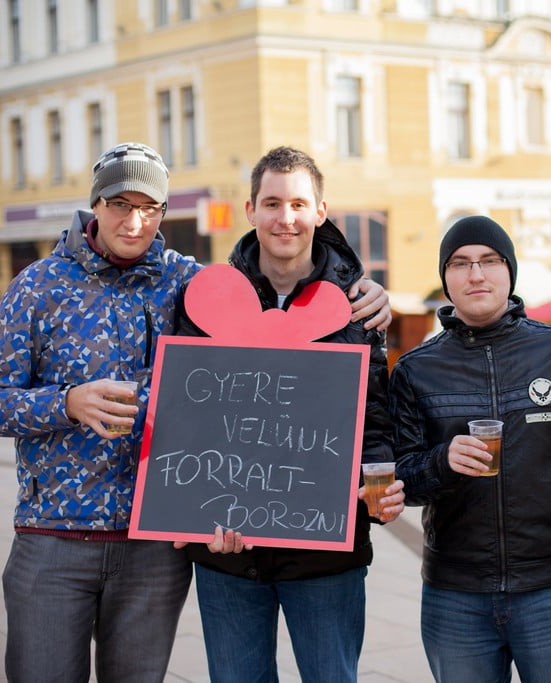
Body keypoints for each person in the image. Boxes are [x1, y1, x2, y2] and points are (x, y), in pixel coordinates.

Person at [0, 142, 389, 682]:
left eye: (150, 208)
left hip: (155, 546)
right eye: (120, 204)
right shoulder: (37, 286)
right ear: (96, 204)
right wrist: (65, 402)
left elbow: (268, 317)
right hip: (56, 534)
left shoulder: (187, 282)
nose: (134, 221)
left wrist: (365, 289)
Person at [175, 146, 405, 683]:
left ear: (320, 211)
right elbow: (186, 417)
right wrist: (187, 514)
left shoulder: (356, 306)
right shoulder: (206, 300)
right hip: (228, 548)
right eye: (273, 203)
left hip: (324, 553)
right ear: (250, 210)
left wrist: (381, 487)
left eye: (299, 204)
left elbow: (373, 417)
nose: (286, 218)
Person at [388, 216, 551, 683]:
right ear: (446, 278)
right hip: (455, 593)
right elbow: (403, 479)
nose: (475, 274)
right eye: (460, 263)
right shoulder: (416, 370)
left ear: (509, 271)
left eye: (489, 261)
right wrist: (442, 462)